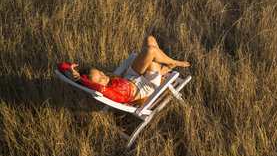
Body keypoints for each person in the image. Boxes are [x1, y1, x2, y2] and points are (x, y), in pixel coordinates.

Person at [61, 36, 189, 103]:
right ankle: (172, 63)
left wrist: (73, 72)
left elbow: (60, 66)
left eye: (100, 73)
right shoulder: (107, 92)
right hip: (145, 86)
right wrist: (80, 80)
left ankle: (165, 68)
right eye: (100, 79)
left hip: (131, 77)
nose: (103, 76)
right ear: (94, 85)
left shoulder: (107, 81)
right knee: (152, 51)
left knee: (149, 40)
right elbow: (94, 86)